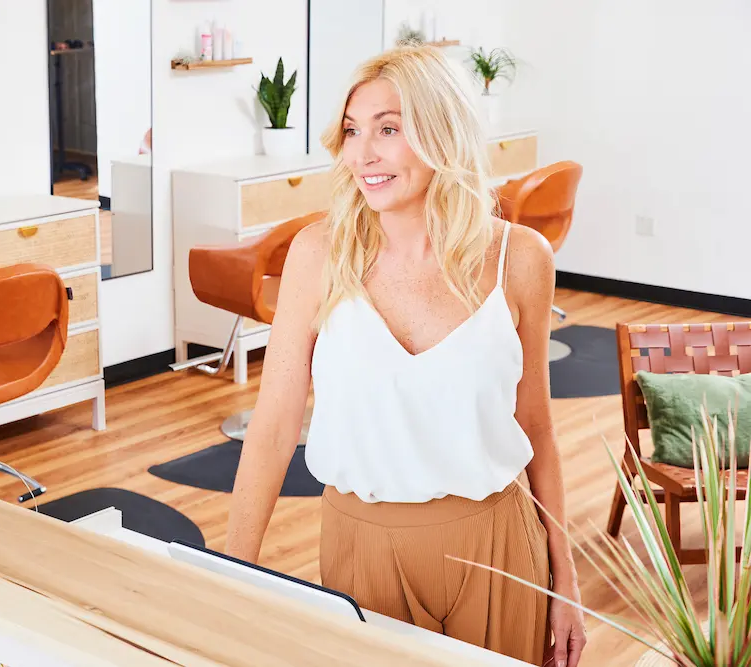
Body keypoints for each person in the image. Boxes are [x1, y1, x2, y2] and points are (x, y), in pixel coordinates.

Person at [223, 44, 586, 667]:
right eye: (352, 131)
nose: (362, 154)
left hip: (500, 546)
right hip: (360, 550)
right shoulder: (317, 254)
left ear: (441, 132)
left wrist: (566, 579)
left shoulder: (520, 258)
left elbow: (536, 428)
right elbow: (274, 426)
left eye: (388, 130)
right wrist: (233, 576)